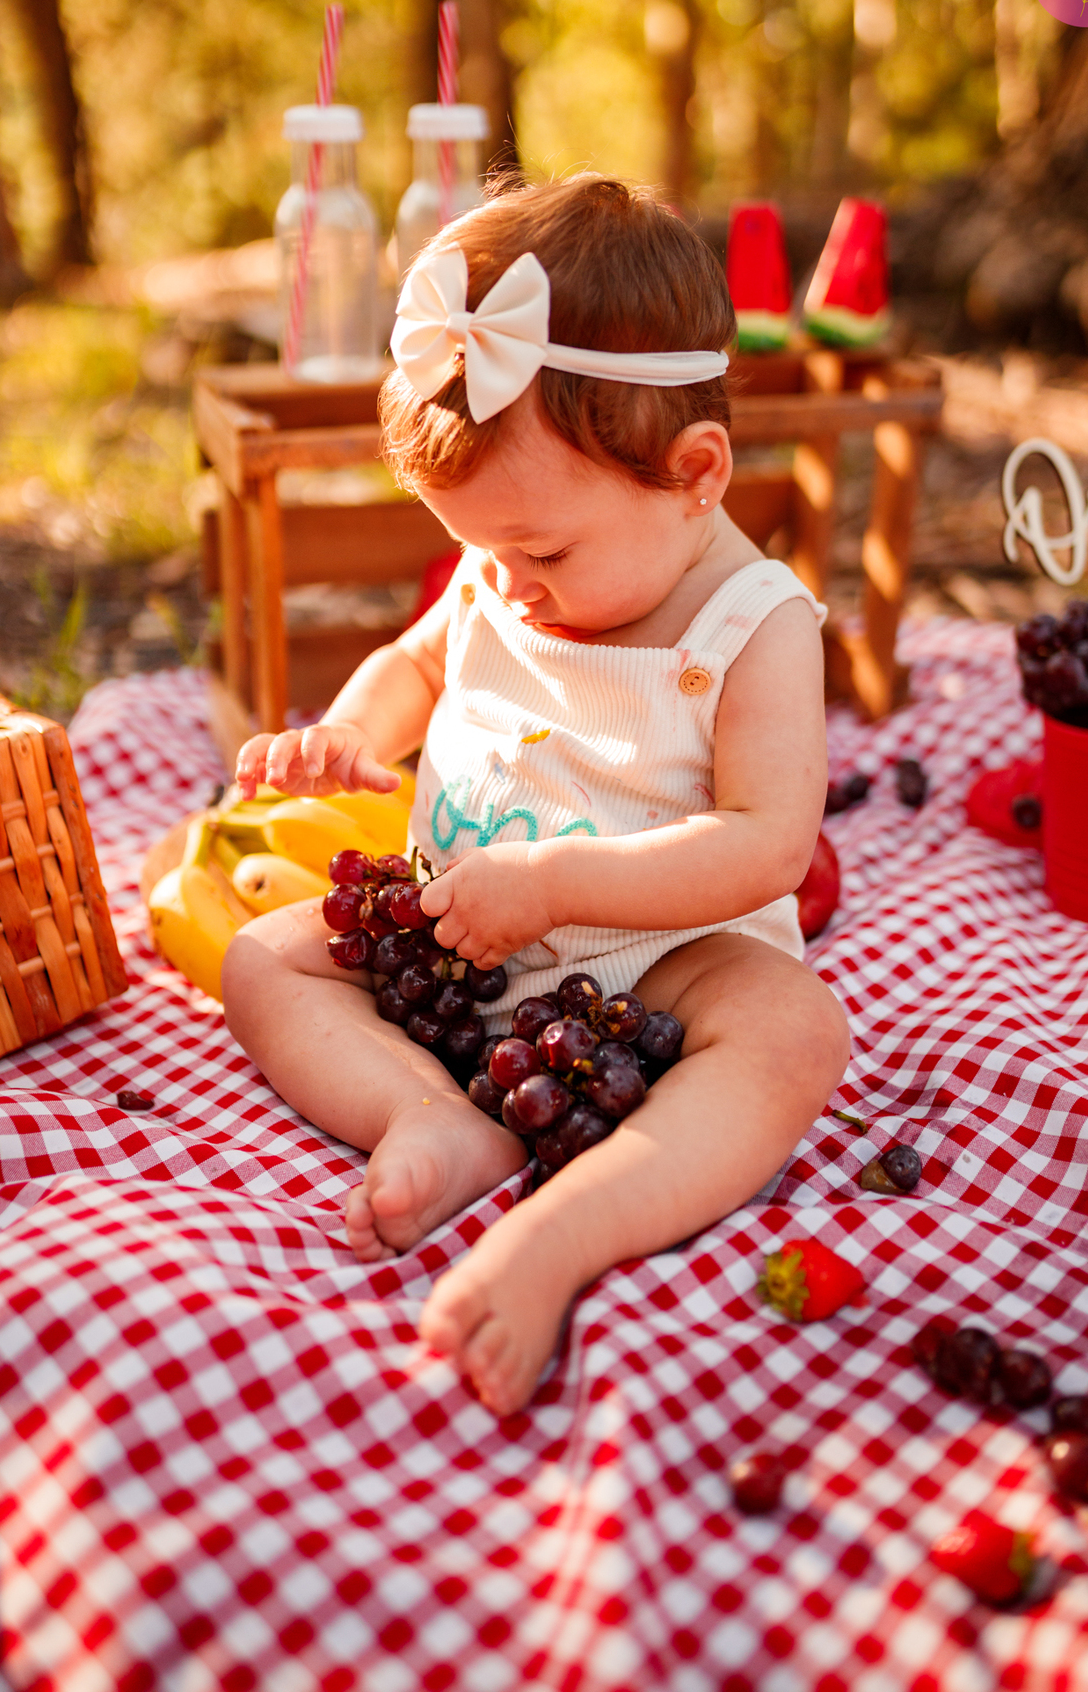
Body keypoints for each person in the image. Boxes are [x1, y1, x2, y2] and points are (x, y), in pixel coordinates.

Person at [223, 176, 850, 1416]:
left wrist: (560, 887)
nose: (503, 588)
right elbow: (418, 658)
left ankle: (568, 1230)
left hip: (662, 960)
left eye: (542, 555)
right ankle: (438, 1121)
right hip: (455, 942)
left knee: (793, 1031)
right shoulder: (508, 557)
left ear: (697, 474)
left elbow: (770, 845)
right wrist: (352, 731)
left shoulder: (753, 626)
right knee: (263, 960)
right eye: (480, 550)